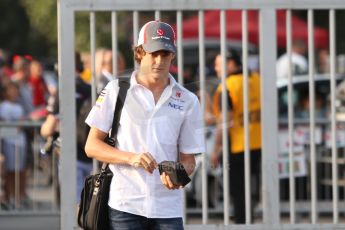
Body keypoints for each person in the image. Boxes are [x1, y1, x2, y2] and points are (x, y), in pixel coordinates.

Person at [84, 20, 205, 230]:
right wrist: (131, 158)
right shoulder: (116, 90)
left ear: (173, 56)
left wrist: (179, 175)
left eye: (165, 54)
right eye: (153, 53)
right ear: (140, 53)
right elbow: (92, 145)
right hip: (125, 205)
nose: (159, 61)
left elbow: (189, 160)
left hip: (168, 208)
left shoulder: (188, 100)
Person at [211, 50, 262, 224]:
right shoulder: (256, 79)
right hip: (258, 142)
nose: (215, 68)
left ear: (231, 64)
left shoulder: (228, 86)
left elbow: (225, 122)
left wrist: (216, 149)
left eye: (218, 64)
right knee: (252, 187)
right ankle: (249, 220)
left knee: (238, 190)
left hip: (238, 144)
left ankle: (242, 223)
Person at [40, 52, 93, 204]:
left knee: (73, 203)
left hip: (70, 152)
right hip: (92, 152)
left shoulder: (62, 90)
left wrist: (44, 130)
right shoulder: (91, 88)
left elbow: (48, 128)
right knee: (88, 204)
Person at [0, 81, 28, 209]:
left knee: (20, 170)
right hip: (9, 141)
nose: (14, 92)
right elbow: (7, 124)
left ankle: (19, 196)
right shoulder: (3, 106)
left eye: (15, 90)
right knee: (10, 170)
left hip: (20, 141)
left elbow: (20, 125)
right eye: (11, 90)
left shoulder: (19, 106)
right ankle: (8, 195)